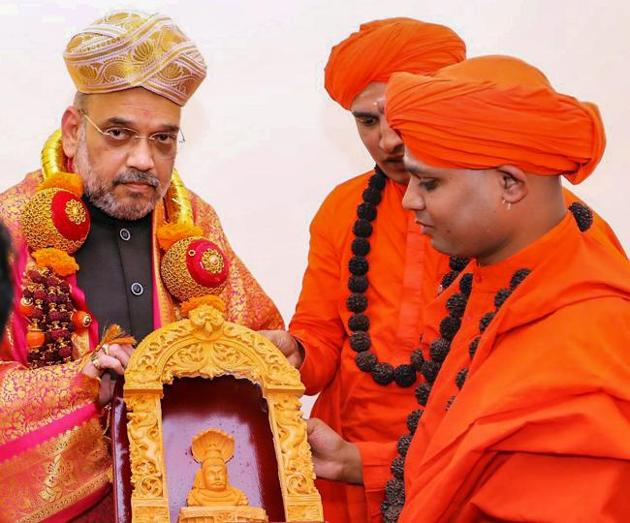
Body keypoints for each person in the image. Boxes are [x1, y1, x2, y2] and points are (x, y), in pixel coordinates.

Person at [0, 10, 282, 521]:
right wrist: (77, 381)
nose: (143, 160)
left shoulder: (194, 221)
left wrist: (268, 353)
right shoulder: (12, 227)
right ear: (71, 131)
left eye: (163, 139)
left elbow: (258, 333)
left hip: (183, 499)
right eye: (118, 133)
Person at [383, 55, 630, 522]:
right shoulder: (486, 282)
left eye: (430, 182)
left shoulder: (587, 339)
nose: (410, 199)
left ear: (511, 184)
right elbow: (465, 469)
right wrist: (369, 466)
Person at [260, 17, 467, 523]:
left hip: (456, 469)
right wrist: (296, 350)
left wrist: (375, 463)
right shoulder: (342, 208)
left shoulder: (498, 213)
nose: (388, 140)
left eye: (400, 115)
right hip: (338, 467)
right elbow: (322, 336)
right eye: (367, 121)